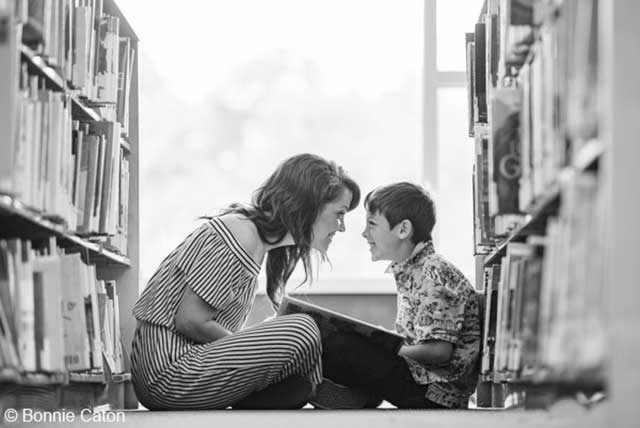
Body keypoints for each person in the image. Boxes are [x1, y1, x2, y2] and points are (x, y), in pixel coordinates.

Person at [130, 153, 360, 410]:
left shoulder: (254, 241)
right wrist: (258, 347)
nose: (342, 227)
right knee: (303, 327)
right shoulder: (241, 233)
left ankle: (299, 390)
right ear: (309, 206)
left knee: (296, 341)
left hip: (185, 371)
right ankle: (320, 393)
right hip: (169, 376)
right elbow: (190, 320)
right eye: (339, 214)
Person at [313, 182, 481, 409]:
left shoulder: (434, 273)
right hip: (421, 381)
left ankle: (336, 393)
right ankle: (357, 395)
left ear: (403, 230)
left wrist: (386, 347)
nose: (364, 234)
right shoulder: (414, 270)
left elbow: (439, 351)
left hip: (434, 393)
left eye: (372, 225)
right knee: (335, 341)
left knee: (338, 345)